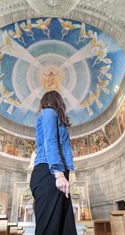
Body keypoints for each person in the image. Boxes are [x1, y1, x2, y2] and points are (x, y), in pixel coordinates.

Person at [30, 90, 77, 235]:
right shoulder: (49, 112)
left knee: (65, 228)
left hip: (54, 172)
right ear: (57, 101)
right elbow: (50, 141)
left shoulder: (52, 116)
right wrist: (58, 174)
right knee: (49, 229)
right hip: (48, 173)